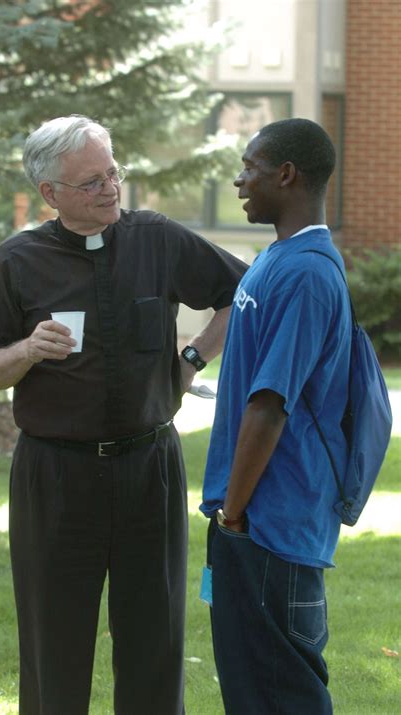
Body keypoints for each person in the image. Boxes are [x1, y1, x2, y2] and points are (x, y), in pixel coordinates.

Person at [0, 114, 247, 715]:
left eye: (112, 174)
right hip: (56, 475)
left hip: (150, 466)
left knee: (155, 637)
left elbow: (243, 295)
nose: (110, 190)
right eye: (91, 183)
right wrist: (26, 349)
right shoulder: (17, 261)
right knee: (53, 642)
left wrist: (194, 355)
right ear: (51, 194)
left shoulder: (158, 239)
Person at [200, 118, 352, 714]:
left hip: (272, 525)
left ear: (286, 175)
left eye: (250, 168)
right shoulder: (278, 257)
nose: (239, 181)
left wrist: (235, 516)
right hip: (249, 519)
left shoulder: (309, 273)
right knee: (249, 690)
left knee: (282, 694)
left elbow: (271, 404)